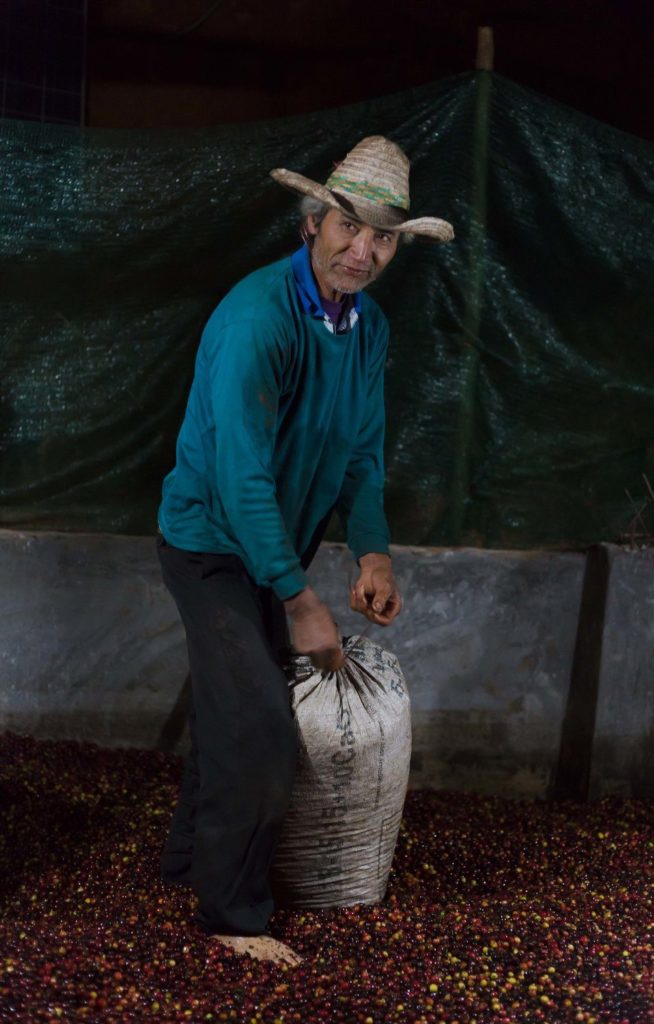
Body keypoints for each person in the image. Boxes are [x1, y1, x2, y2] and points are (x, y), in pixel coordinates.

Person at [156, 135, 454, 966]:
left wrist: (371, 556)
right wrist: (300, 598)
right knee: (258, 723)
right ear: (311, 223)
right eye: (346, 228)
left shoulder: (366, 328)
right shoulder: (260, 319)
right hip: (212, 543)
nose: (362, 250)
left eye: (384, 236)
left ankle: (186, 864)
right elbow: (239, 475)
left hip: (276, 545)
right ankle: (231, 918)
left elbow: (363, 451)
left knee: (235, 707)